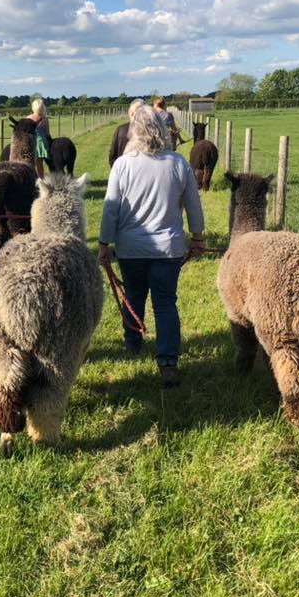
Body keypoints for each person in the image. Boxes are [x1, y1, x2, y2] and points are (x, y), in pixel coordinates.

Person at [98, 105, 205, 388]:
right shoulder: (178, 164)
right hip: (167, 249)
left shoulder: (123, 165)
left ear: (135, 131)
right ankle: (168, 360)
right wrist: (197, 238)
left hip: (130, 249)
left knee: (133, 295)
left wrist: (104, 243)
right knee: (165, 302)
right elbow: (194, 205)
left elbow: (111, 210)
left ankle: (133, 343)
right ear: (162, 130)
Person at [108, 98, 145, 166]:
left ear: (129, 112)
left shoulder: (120, 130)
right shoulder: (149, 131)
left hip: (122, 170)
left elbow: (112, 156)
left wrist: (117, 171)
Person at [27, 98, 51, 179]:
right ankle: (42, 180)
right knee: (40, 164)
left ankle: (33, 180)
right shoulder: (45, 119)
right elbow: (47, 134)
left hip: (31, 143)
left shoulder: (28, 118)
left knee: (31, 164)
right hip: (42, 143)